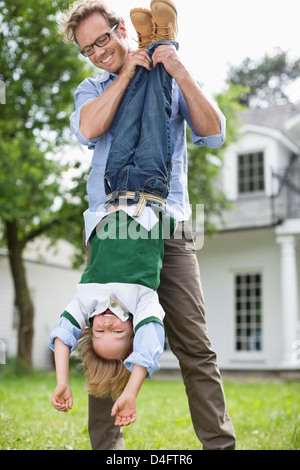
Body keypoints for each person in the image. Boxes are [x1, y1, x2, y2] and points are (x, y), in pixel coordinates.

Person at [58, 0, 236, 450]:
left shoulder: (172, 76)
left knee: (194, 345)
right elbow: (89, 129)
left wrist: (174, 67)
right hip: (111, 230)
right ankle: (107, 450)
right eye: (87, 49)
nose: (97, 52)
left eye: (102, 39)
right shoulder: (91, 86)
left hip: (168, 224)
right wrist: (124, 75)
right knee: (103, 340)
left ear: (121, 28)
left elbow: (214, 132)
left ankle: (219, 446)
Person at [49, 27, 178, 426]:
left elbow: (60, 337)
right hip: (151, 187)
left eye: (98, 335)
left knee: (127, 112)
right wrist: (130, 392)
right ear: (132, 334)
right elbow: (149, 349)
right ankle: (165, 41)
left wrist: (62, 381)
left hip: (114, 184)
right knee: (155, 113)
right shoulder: (144, 305)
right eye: (116, 336)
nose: (105, 328)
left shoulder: (86, 301)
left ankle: (146, 44)